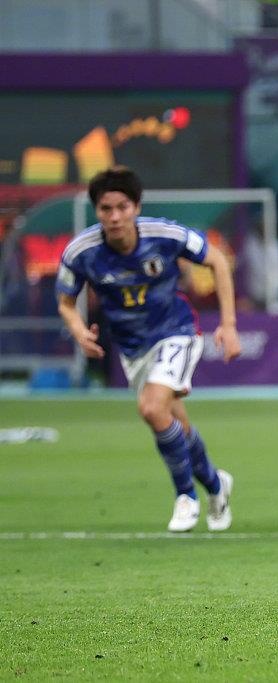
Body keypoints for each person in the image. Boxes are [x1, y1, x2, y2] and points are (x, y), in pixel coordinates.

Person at [56, 166, 241, 532]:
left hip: (176, 332)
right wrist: (78, 331)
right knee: (173, 422)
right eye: (106, 209)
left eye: (122, 207)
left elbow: (217, 260)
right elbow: (65, 301)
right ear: (97, 211)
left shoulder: (165, 235)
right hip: (133, 349)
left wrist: (229, 324)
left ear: (136, 207)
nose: (115, 217)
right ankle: (216, 485)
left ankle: (185, 496)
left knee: (151, 408)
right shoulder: (81, 252)